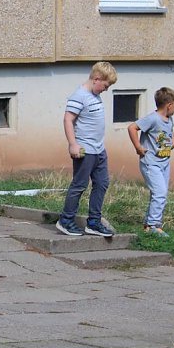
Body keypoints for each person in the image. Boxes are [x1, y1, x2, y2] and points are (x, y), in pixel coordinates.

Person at [56, 61, 118, 237]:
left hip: (99, 150)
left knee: (102, 183)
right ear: (97, 79)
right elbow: (68, 120)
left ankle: (94, 222)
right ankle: (66, 220)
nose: (106, 89)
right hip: (85, 150)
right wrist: (73, 144)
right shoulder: (79, 95)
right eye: (105, 85)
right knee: (79, 185)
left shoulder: (95, 96)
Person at [127, 87, 174, 238]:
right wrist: (138, 147)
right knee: (160, 193)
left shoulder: (169, 119)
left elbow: (169, 132)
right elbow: (132, 127)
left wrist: (173, 140)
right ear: (169, 105)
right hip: (151, 163)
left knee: (159, 193)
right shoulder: (153, 118)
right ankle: (154, 225)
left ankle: (148, 224)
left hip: (164, 162)